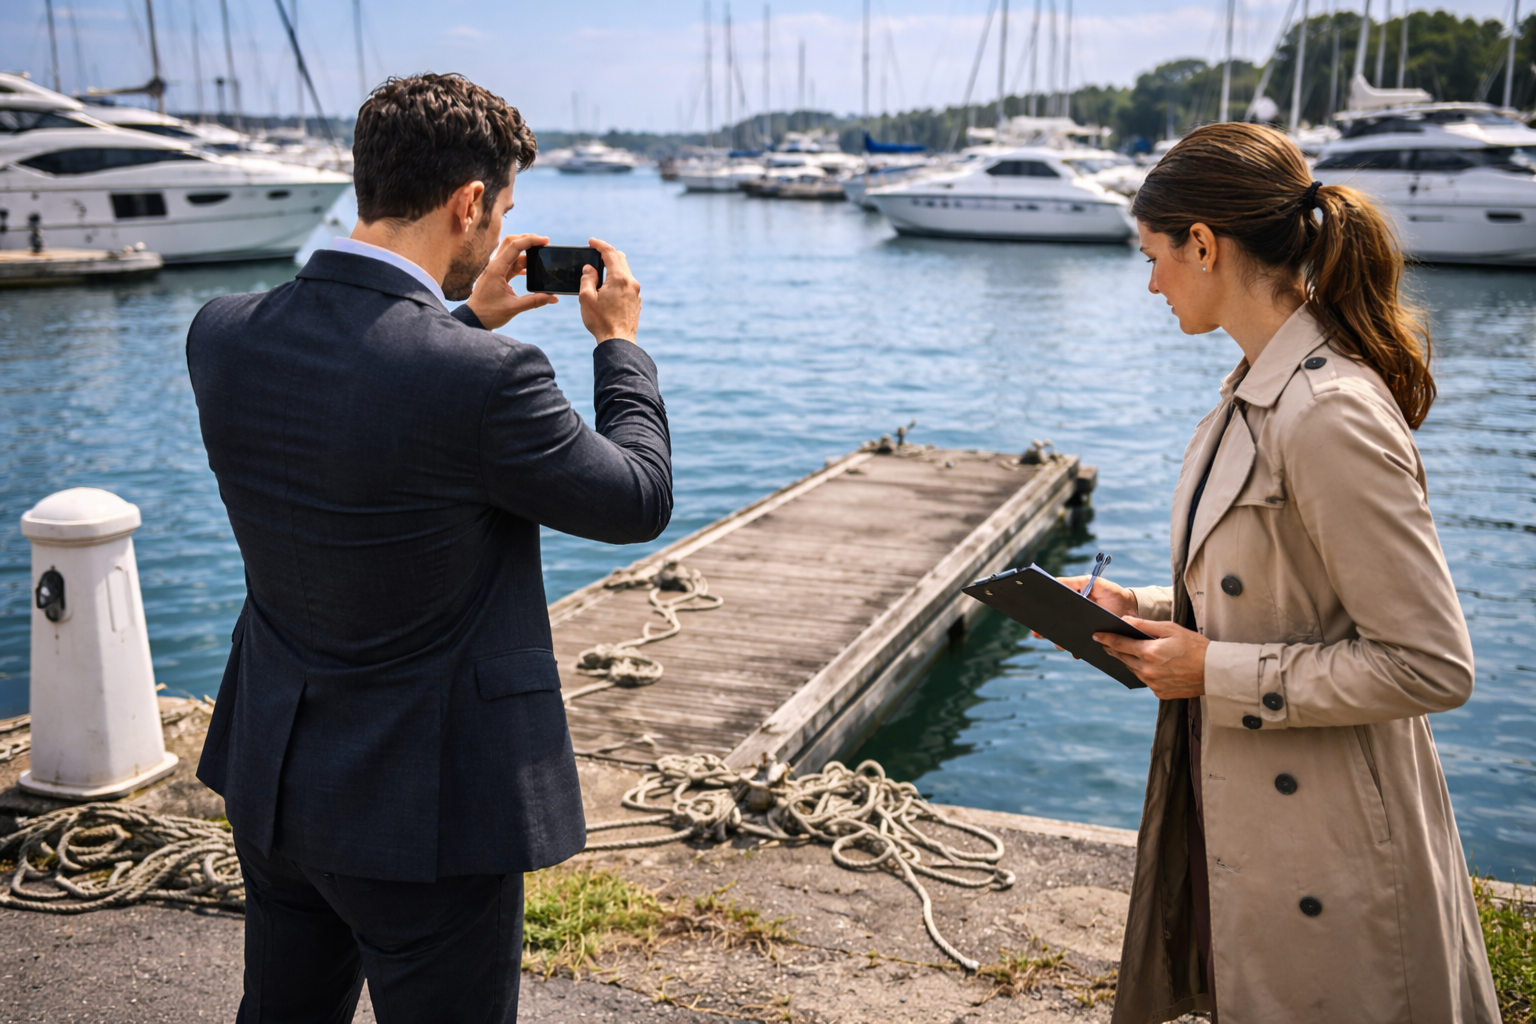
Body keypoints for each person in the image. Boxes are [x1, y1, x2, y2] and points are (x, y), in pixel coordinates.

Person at [186, 73, 671, 1023]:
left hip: (276, 777)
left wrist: (468, 321)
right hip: (429, 812)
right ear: (468, 203)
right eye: (504, 212)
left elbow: (368, 393)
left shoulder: (224, 335)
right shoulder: (489, 381)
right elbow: (637, 498)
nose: (498, 232)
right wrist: (618, 346)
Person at [1061, 122, 1498, 1023]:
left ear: (1204, 244)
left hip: (1336, 856)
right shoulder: (1256, 388)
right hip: (1269, 829)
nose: (1151, 284)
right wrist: (1137, 606)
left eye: (1153, 257)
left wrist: (1211, 671)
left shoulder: (1327, 412)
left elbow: (1431, 665)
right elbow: (1275, 588)